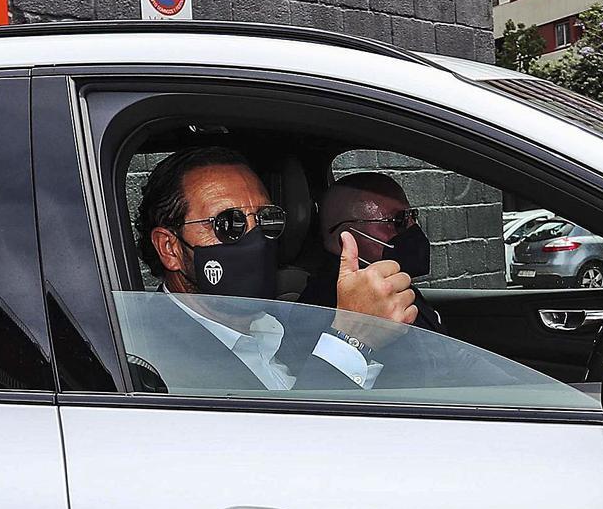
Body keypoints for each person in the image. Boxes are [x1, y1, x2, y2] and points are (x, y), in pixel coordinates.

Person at [131, 146, 417, 392]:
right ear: (170, 248)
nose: (255, 238)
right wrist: (354, 338)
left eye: (266, 219)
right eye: (229, 224)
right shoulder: (155, 364)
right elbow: (288, 450)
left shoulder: (282, 326)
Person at [300, 172, 445, 333]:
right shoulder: (321, 309)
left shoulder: (389, 285)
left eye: (411, 216)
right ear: (345, 239)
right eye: (398, 220)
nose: (412, 228)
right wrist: (356, 335)